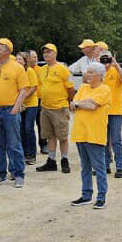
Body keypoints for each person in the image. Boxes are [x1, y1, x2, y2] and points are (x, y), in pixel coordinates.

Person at [0, 38, 29, 188]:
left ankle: (18, 174)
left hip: (10, 110)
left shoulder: (17, 67)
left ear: (8, 51)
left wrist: (15, 109)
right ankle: (0, 174)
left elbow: (24, 90)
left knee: (14, 144)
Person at [69, 62, 112, 209]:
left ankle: (101, 197)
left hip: (95, 134)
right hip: (80, 133)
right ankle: (86, 195)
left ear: (100, 75)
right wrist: (82, 103)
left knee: (99, 168)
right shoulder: (82, 87)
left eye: (91, 72)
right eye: (87, 72)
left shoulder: (105, 89)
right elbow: (72, 105)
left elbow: (92, 106)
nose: (87, 74)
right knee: (85, 167)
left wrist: (79, 103)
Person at [36, 43, 74, 173]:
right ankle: (51, 161)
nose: (46, 54)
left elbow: (70, 88)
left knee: (62, 136)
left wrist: (70, 103)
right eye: (45, 52)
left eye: (49, 52)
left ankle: (64, 159)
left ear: (55, 53)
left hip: (59, 107)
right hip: (45, 107)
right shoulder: (41, 70)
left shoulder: (62, 69)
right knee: (50, 135)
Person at [101, 50, 122, 177]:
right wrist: (96, 65)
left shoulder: (116, 70)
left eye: (107, 58)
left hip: (115, 111)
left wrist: (116, 64)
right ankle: (105, 166)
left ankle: (120, 167)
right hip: (101, 111)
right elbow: (86, 80)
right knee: (103, 141)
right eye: (103, 59)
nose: (105, 61)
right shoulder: (98, 71)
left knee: (116, 140)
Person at [16, 52, 39, 165]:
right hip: (20, 104)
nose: (18, 61)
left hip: (31, 104)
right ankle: (24, 153)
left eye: (20, 59)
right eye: (17, 59)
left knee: (28, 128)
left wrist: (23, 98)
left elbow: (34, 87)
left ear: (25, 61)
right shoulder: (16, 72)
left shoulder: (29, 71)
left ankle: (32, 154)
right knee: (21, 129)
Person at [28, 49, 48, 155]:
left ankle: (44, 144)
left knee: (41, 123)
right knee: (28, 125)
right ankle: (30, 147)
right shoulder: (25, 70)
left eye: (36, 57)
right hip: (30, 100)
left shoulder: (40, 70)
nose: (35, 59)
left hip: (40, 99)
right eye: (33, 57)